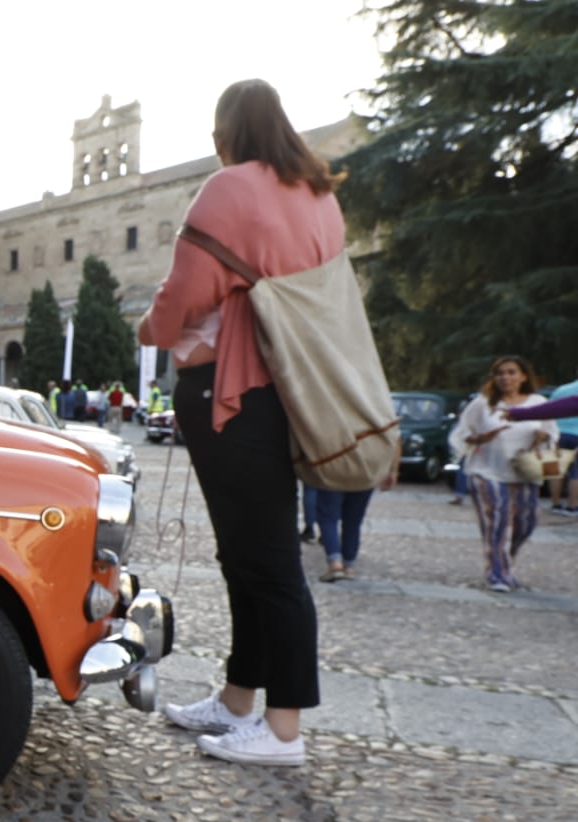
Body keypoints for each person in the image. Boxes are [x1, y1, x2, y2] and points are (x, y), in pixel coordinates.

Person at [136, 79, 363, 767]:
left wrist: (153, 327)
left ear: (227, 134)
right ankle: (240, 699)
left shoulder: (230, 188)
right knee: (250, 553)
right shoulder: (320, 197)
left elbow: (185, 293)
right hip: (289, 385)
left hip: (229, 387)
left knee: (265, 562)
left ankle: (284, 729)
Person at [447, 356, 559, 591]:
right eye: (500, 373)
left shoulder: (538, 402)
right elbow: (461, 433)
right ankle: (497, 573)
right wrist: (479, 438)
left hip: (525, 472)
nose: (505, 377)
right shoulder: (483, 404)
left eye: (511, 372)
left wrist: (543, 437)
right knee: (496, 520)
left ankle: (505, 556)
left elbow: (552, 432)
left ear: (523, 376)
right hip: (487, 471)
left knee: (526, 522)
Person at [504, 376, 578, 514]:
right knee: (576, 473)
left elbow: (554, 408)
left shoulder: (562, 389)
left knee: (555, 469)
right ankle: (573, 506)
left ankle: (556, 504)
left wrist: (518, 413)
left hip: (560, 433)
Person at [314, 488, 374, 581]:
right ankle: (349, 566)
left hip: (332, 478)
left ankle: (335, 563)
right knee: (353, 522)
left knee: (328, 518)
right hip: (362, 478)